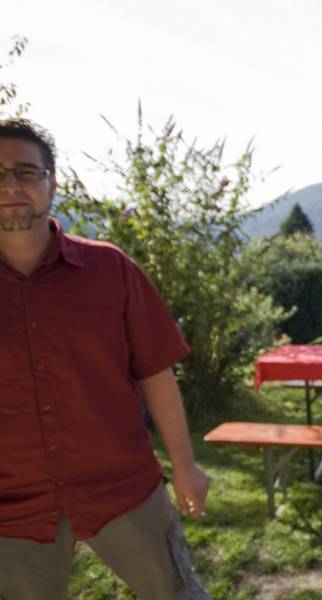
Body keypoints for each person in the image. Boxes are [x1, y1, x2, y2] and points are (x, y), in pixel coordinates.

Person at [0, 118, 211, 599]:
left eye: (26, 172)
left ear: (52, 182)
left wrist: (185, 466)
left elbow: (156, 370)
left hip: (122, 487)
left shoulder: (110, 269)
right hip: (11, 505)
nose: (10, 185)